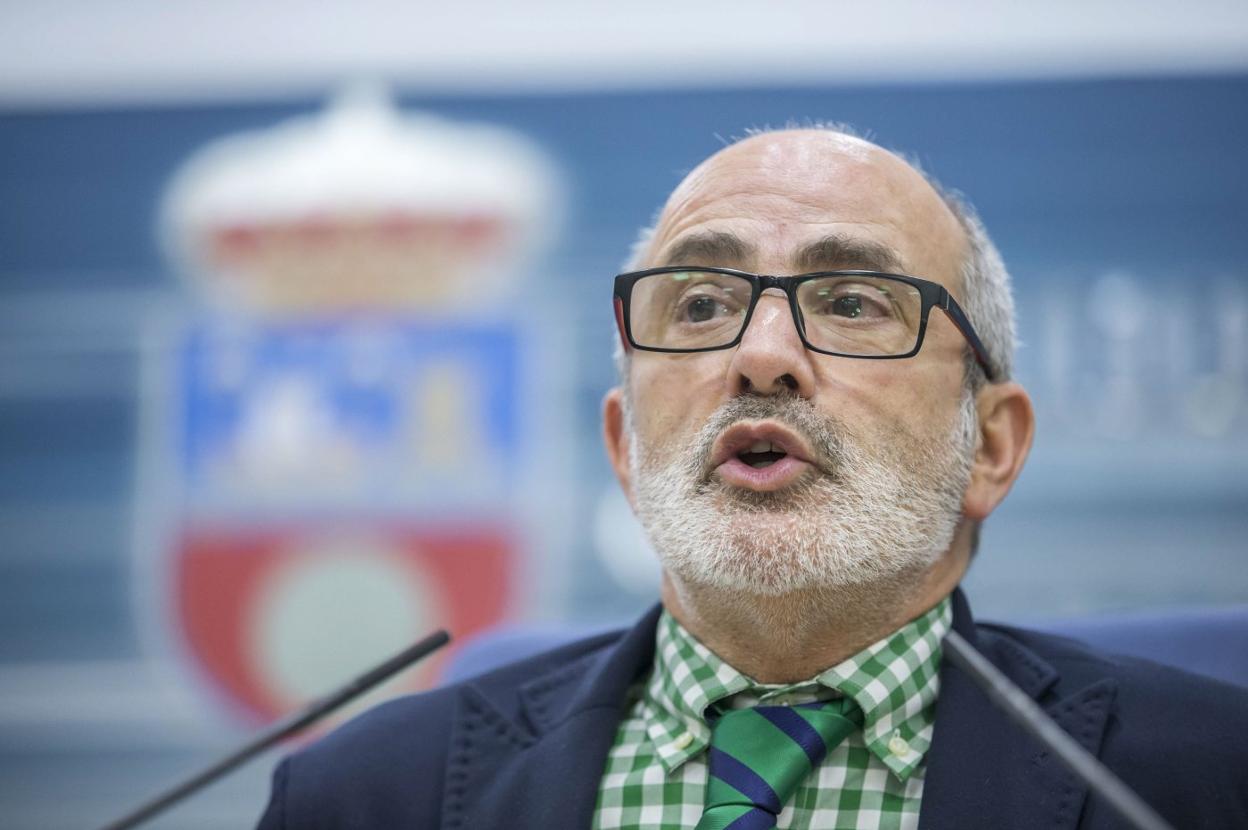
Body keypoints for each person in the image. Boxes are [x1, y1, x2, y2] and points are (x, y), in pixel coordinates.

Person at [256, 127, 1248, 829]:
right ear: (624, 449)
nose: (762, 355)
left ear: (990, 444)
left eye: (854, 299)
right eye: (697, 305)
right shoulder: (359, 796)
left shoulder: (1202, 781)